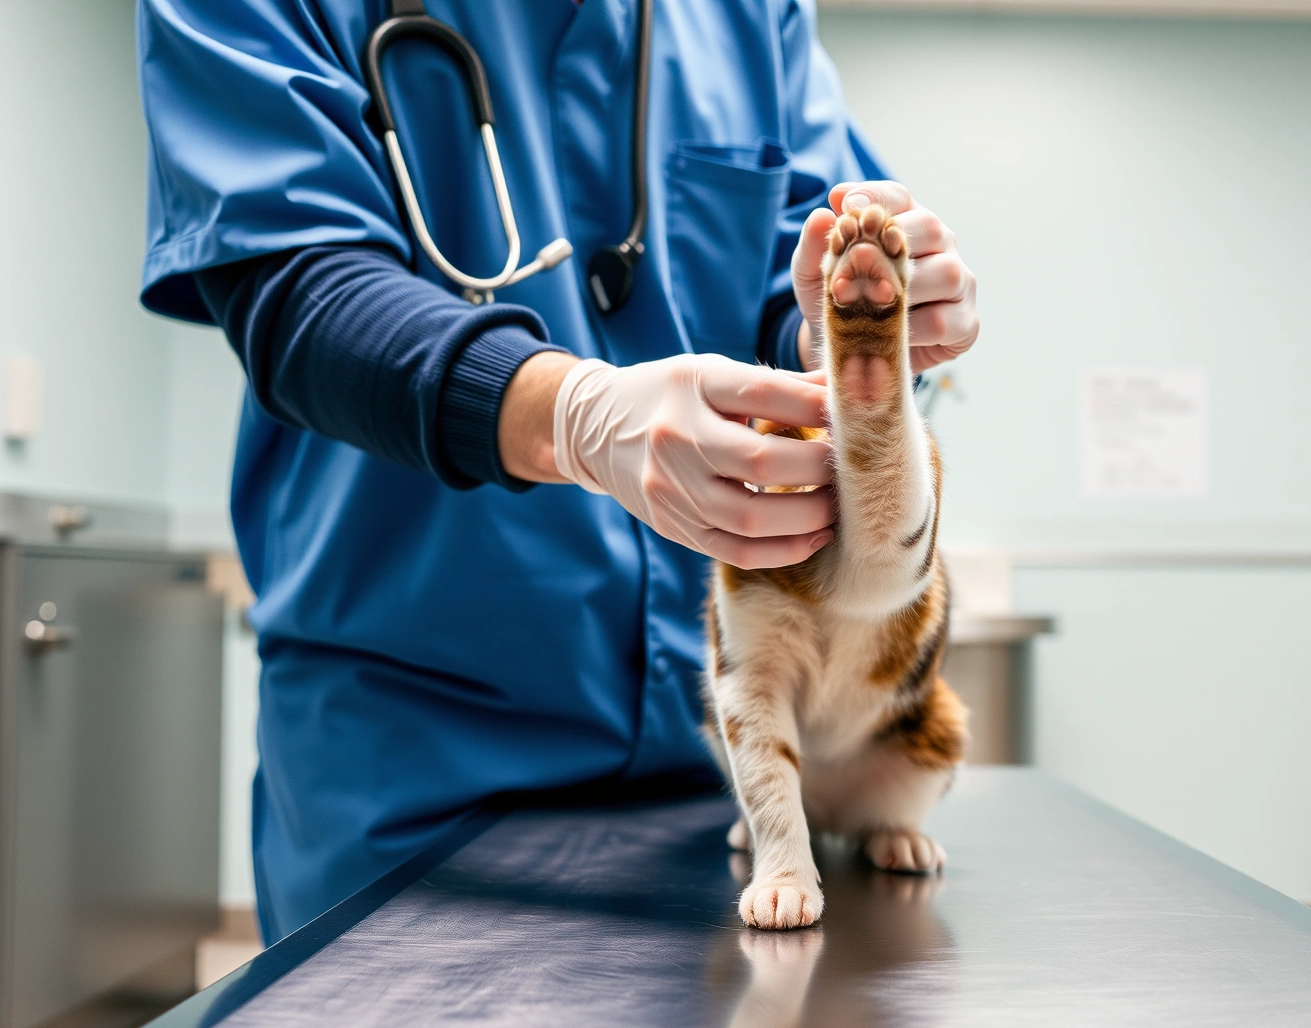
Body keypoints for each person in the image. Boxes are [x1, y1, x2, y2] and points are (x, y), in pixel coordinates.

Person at [136, 0, 980, 943]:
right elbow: (293, 284)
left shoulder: (750, 16)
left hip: (715, 760)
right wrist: (569, 419)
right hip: (414, 766)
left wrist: (846, 330)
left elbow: (786, 287)